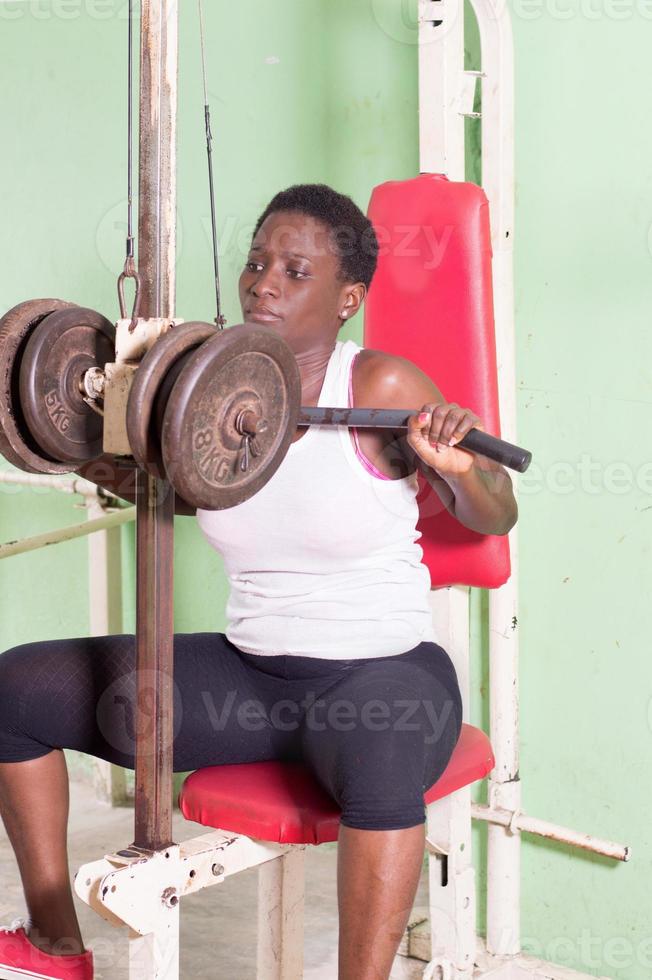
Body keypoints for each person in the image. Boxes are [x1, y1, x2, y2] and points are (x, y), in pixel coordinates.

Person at [0, 183, 517, 980]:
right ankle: (55, 942)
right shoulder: (206, 393)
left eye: (294, 270)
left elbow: (496, 513)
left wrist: (460, 470)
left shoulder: (375, 386)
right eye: (256, 262)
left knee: (380, 757)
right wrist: (89, 444)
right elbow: (168, 495)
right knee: (14, 689)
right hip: (249, 678)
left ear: (348, 298)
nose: (263, 283)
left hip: (382, 673)